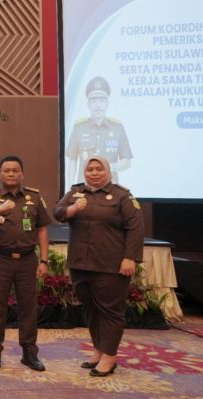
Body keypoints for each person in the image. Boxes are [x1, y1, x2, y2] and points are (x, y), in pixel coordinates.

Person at [54, 155, 144, 377]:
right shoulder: (75, 193)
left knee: (110, 311)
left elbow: (136, 228)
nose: (94, 173)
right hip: (80, 264)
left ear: (108, 171)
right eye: (90, 169)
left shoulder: (122, 196)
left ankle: (110, 356)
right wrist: (72, 209)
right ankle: (99, 349)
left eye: (99, 169)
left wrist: (130, 257)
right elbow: (58, 213)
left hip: (110, 266)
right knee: (90, 309)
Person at [0, 155, 52, 372]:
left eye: (15, 170)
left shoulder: (34, 197)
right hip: (0, 259)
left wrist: (44, 260)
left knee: (28, 308)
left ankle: (29, 353)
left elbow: (42, 229)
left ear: (22, 174)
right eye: (6, 170)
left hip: (27, 260)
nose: (11, 174)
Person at [66, 76, 132, 185]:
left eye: (101, 101)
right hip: (84, 188)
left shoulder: (117, 128)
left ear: (107, 104)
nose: (98, 106)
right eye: (94, 101)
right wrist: (70, 188)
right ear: (88, 105)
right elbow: (72, 160)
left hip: (110, 188)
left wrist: (110, 167)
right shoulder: (78, 128)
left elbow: (127, 161)